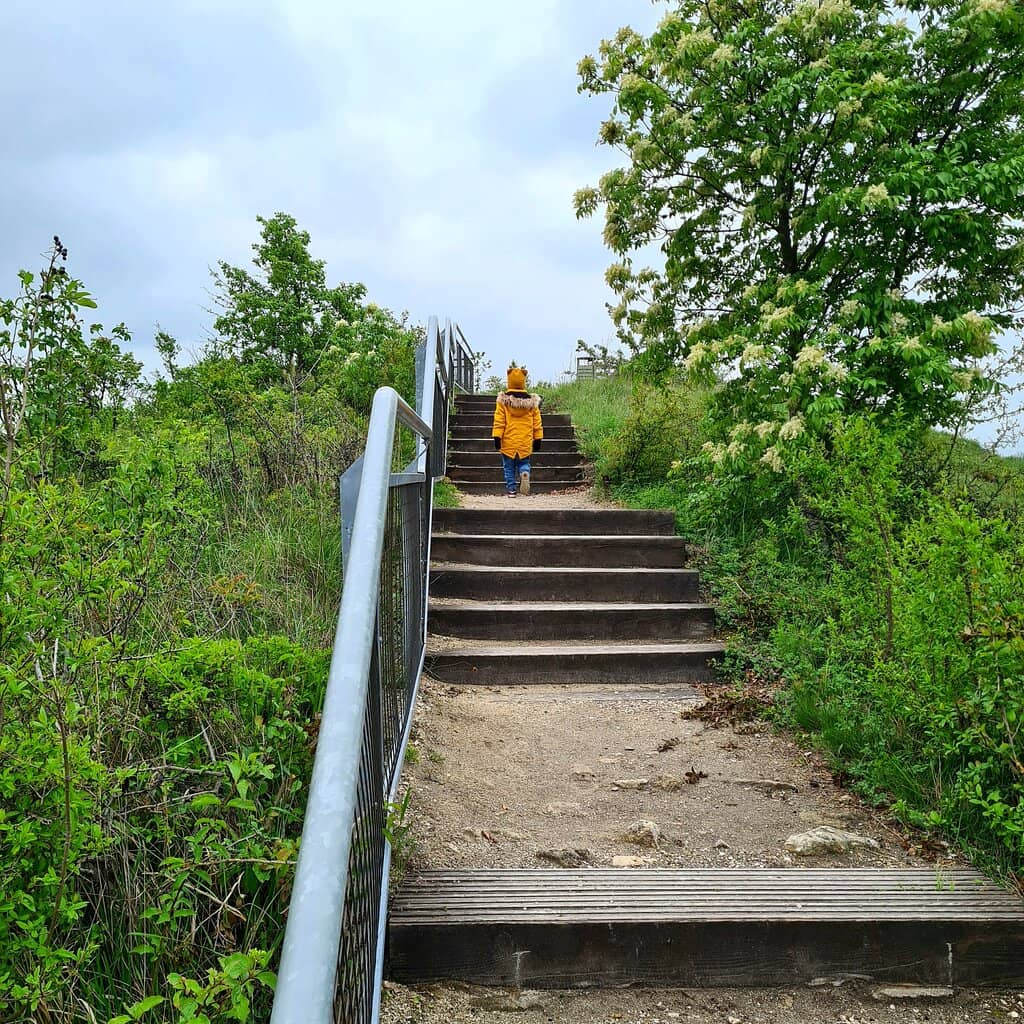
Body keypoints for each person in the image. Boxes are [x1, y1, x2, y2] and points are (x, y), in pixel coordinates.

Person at [492, 365, 543, 497]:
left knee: (508, 467)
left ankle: (512, 490)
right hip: (525, 441)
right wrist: (538, 438)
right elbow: (537, 423)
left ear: (509, 381)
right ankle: (524, 473)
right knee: (524, 463)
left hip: (508, 441)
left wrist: (497, 437)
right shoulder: (532, 403)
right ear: (523, 381)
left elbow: (499, 421)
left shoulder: (503, 401)